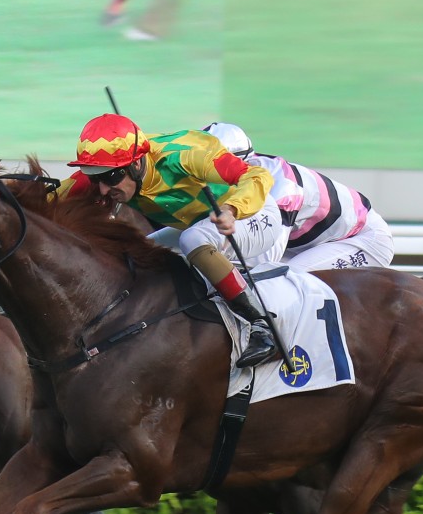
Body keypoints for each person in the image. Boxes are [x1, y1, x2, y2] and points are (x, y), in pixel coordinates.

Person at [55, 113, 285, 368]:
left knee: (193, 238)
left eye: (110, 178)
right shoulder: (110, 170)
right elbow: (49, 196)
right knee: (138, 254)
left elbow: (257, 176)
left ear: (137, 164)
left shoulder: (184, 154)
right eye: (95, 178)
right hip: (199, 225)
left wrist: (231, 209)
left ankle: (262, 324)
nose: (103, 189)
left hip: (253, 214)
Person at [203, 122, 396, 272]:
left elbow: (265, 261)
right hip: (306, 244)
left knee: (280, 280)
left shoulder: (279, 188)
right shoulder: (243, 173)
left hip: (362, 240)